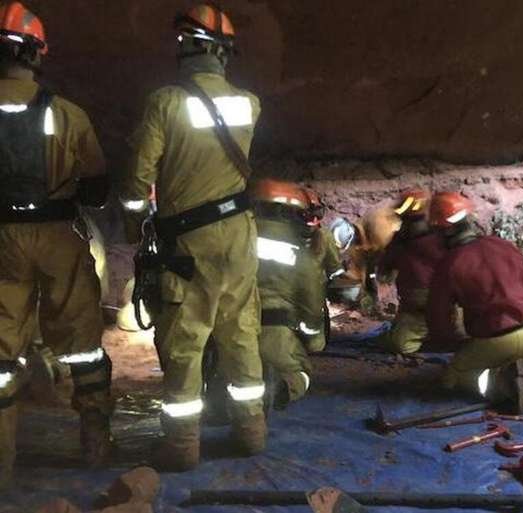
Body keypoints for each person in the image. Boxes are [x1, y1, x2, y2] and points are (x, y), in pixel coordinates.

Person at [119, 4, 266, 471]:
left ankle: (182, 446)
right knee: (241, 331)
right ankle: (252, 432)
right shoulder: (249, 102)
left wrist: (134, 222)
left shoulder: (165, 102)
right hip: (240, 234)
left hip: (190, 240)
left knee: (186, 339)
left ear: (185, 48)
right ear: (225, 53)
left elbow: (140, 178)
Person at [0, 1, 112, 489]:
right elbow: (96, 187)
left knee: (0, 352)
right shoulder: (67, 114)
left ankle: (1, 464)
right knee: (83, 343)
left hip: (1, 239)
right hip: (58, 236)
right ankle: (94, 440)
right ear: (36, 54)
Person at [426, 192, 523, 416]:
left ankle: (500, 382)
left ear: (443, 231)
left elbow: (439, 317)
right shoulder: (503, 244)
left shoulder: (449, 265)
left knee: (452, 378)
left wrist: (450, 341)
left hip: (496, 338)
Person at [252, 180, 316, 410]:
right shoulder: (299, 251)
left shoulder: (232, 239)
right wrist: (313, 338)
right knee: (301, 373)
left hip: (229, 328)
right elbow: (311, 302)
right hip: (275, 332)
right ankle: (277, 388)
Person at [377, 189, 448, 355]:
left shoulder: (443, 238)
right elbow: (385, 269)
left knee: (400, 344)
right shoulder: (402, 241)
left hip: (443, 305)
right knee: (400, 343)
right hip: (419, 309)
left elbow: (384, 271)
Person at [298, 188, 344, 353]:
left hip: (308, 299)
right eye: (307, 213)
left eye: (316, 212)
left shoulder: (324, 237)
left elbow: (335, 269)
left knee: (313, 346)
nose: (313, 218)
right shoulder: (281, 235)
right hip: (289, 297)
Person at [327, 207, 400, 310]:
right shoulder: (357, 244)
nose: (355, 247)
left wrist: (386, 281)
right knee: (369, 278)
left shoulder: (380, 229)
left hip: (404, 245)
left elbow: (395, 256)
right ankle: (374, 305)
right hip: (380, 248)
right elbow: (360, 269)